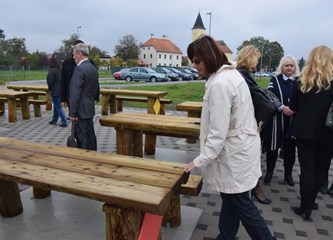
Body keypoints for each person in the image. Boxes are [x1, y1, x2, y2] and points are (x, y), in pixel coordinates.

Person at [184, 36, 275, 240]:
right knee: (231, 198)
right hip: (241, 148)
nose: (194, 65)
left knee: (243, 205)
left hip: (235, 154)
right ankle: (225, 236)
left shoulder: (220, 84)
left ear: (209, 57)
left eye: (197, 61)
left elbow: (217, 133)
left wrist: (197, 161)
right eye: (192, 61)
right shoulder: (230, 74)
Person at [289, 45, 333, 220]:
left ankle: (305, 207)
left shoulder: (301, 80)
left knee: (307, 169)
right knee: (321, 170)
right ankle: (310, 203)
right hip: (328, 133)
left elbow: (293, 107)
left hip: (304, 131)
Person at [236, 45, 271, 204]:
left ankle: (250, 187)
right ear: (250, 58)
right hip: (247, 124)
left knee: (250, 157)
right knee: (251, 158)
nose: (257, 63)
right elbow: (260, 101)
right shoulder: (242, 75)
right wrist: (260, 121)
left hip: (245, 121)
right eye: (256, 59)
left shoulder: (242, 74)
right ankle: (253, 188)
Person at [263, 56, 300, 186]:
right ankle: (269, 172)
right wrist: (281, 107)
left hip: (293, 120)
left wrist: (295, 109)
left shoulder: (299, 81)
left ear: (295, 67)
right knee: (272, 147)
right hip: (276, 119)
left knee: (290, 149)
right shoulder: (275, 80)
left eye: (291, 65)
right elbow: (269, 95)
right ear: (282, 67)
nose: (289, 68)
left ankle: (288, 175)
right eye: (286, 65)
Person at [69, 43, 99, 150]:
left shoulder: (79, 69)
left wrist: (72, 113)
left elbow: (75, 93)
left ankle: (84, 160)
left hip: (80, 110)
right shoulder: (93, 68)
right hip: (89, 107)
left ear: (79, 54)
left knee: (82, 138)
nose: (73, 57)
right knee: (90, 135)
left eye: (74, 54)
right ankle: (94, 155)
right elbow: (95, 88)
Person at [61, 39, 100, 109]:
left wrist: (96, 97)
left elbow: (95, 81)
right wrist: (63, 98)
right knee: (73, 116)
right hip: (71, 96)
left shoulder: (89, 63)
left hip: (86, 98)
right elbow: (63, 81)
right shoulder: (67, 63)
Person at [47, 54, 68, 127]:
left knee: (58, 107)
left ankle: (64, 121)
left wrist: (49, 89)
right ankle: (54, 120)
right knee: (56, 106)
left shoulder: (51, 71)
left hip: (54, 90)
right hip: (61, 90)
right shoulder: (60, 70)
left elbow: (50, 81)